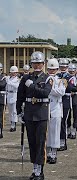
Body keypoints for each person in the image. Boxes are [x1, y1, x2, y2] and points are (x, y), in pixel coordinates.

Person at [16, 51, 52, 180]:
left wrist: (32, 86)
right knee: (32, 142)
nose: (37, 65)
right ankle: (35, 168)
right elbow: (20, 96)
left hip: (41, 114)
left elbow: (45, 93)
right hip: (29, 113)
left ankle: (40, 171)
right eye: (34, 63)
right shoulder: (25, 78)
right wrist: (19, 112)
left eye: (39, 63)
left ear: (43, 64)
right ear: (31, 64)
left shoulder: (48, 78)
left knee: (40, 142)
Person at [46, 58, 66, 164]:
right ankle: (48, 153)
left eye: (54, 69)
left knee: (55, 131)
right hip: (45, 107)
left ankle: (53, 153)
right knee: (47, 132)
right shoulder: (44, 79)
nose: (52, 71)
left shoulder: (60, 81)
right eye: (50, 69)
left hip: (56, 108)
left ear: (57, 69)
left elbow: (62, 92)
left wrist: (50, 89)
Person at [57, 58, 75, 151]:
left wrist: (65, 83)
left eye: (65, 66)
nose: (63, 68)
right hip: (57, 100)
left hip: (66, 100)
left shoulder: (70, 77)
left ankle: (63, 142)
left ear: (67, 67)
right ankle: (57, 141)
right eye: (61, 66)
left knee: (63, 121)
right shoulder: (56, 75)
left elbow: (71, 88)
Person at [67, 64, 77, 138]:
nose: (71, 72)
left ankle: (74, 130)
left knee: (75, 114)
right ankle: (68, 130)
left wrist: (70, 88)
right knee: (68, 115)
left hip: (75, 96)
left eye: (73, 70)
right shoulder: (67, 77)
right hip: (68, 97)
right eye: (70, 70)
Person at [6, 66, 20, 132]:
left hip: (14, 95)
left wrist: (10, 83)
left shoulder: (17, 79)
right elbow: (6, 87)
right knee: (10, 111)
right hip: (9, 94)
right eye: (12, 72)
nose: (13, 74)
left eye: (14, 72)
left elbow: (16, 86)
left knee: (14, 111)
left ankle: (14, 125)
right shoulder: (9, 78)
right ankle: (11, 123)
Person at [0, 63, 6, 138]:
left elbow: (2, 85)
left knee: (0, 116)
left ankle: (0, 130)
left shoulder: (3, 78)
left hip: (0, 99)